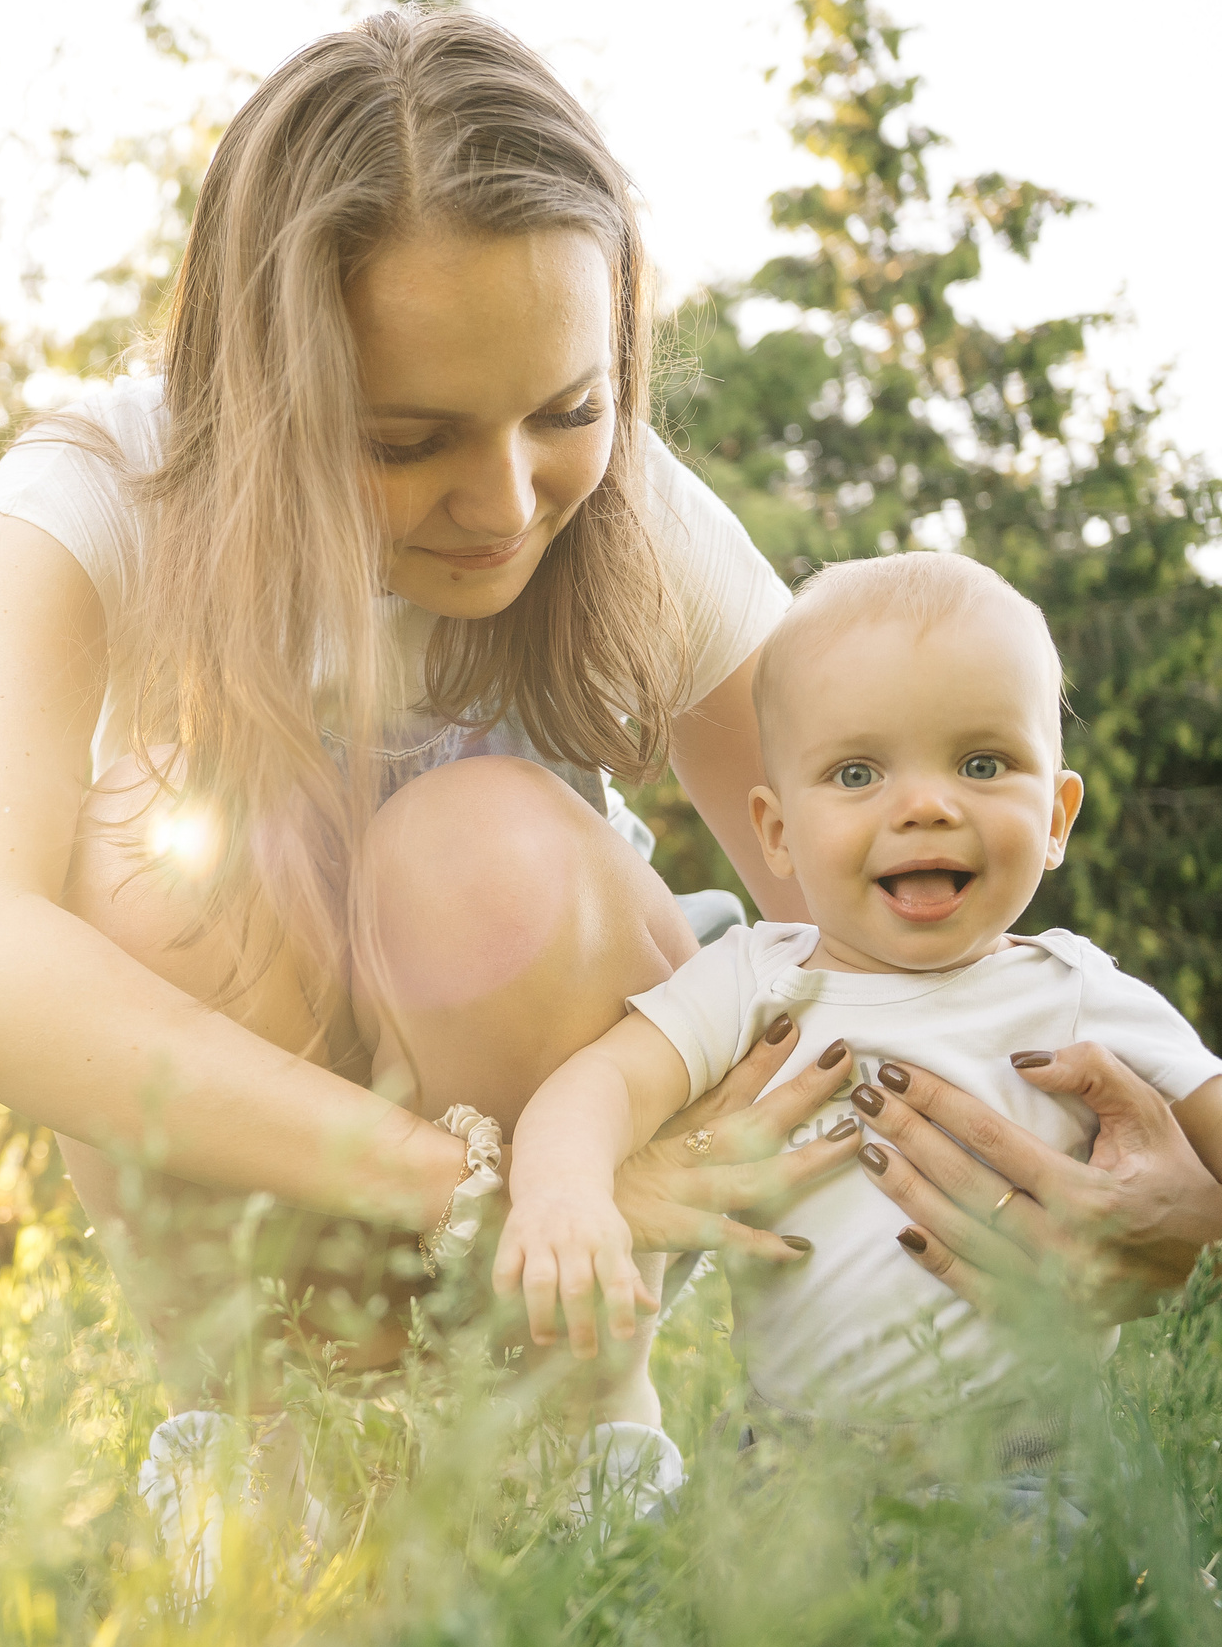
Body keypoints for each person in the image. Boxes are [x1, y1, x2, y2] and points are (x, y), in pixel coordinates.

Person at [0, 5, 1218, 1584]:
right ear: (265, 388)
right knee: (168, 849)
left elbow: (871, 906)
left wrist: (1124, 1177)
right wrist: (490, 1181)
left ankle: (581, 1435)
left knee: (479, 850)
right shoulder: (107, 489)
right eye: (404, 437)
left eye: (568, 412)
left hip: (586, 1103)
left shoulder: (634, 510)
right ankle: (281, 1445)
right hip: (476, 1159)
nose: (508, 504)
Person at [496, 554, 1222, 1430]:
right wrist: (563, 1192)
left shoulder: (1073, 992)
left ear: (1058, 817)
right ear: (776, 830)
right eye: (856, 774)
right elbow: (600, 1084)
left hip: (1031, 1455)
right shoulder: (755, 978)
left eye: (984, 764)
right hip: (791, 1454)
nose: (925, 805)